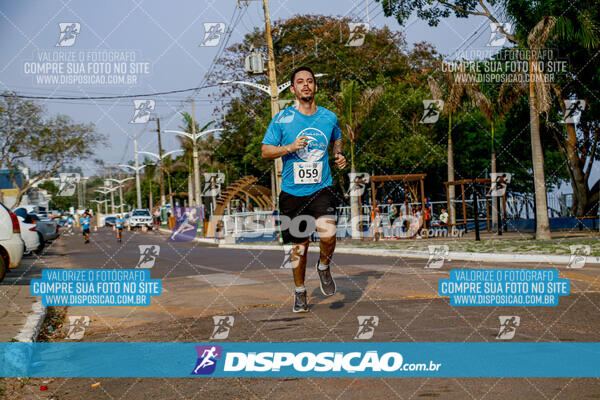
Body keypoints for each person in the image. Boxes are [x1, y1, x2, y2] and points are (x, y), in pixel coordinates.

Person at [261, 66, 346, 313]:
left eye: (310, 81)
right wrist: (289, 147)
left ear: (315, 86)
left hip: (321, 188)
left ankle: (323, 267)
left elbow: (336, 137)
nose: (306, 85)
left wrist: (338, 154)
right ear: (293, 89)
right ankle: (299, 291)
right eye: (300, 82)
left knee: (329, 234)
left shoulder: (329, 117)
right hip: (292, 192)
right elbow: (266, 150)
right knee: (300, 248)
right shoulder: (282, 119)